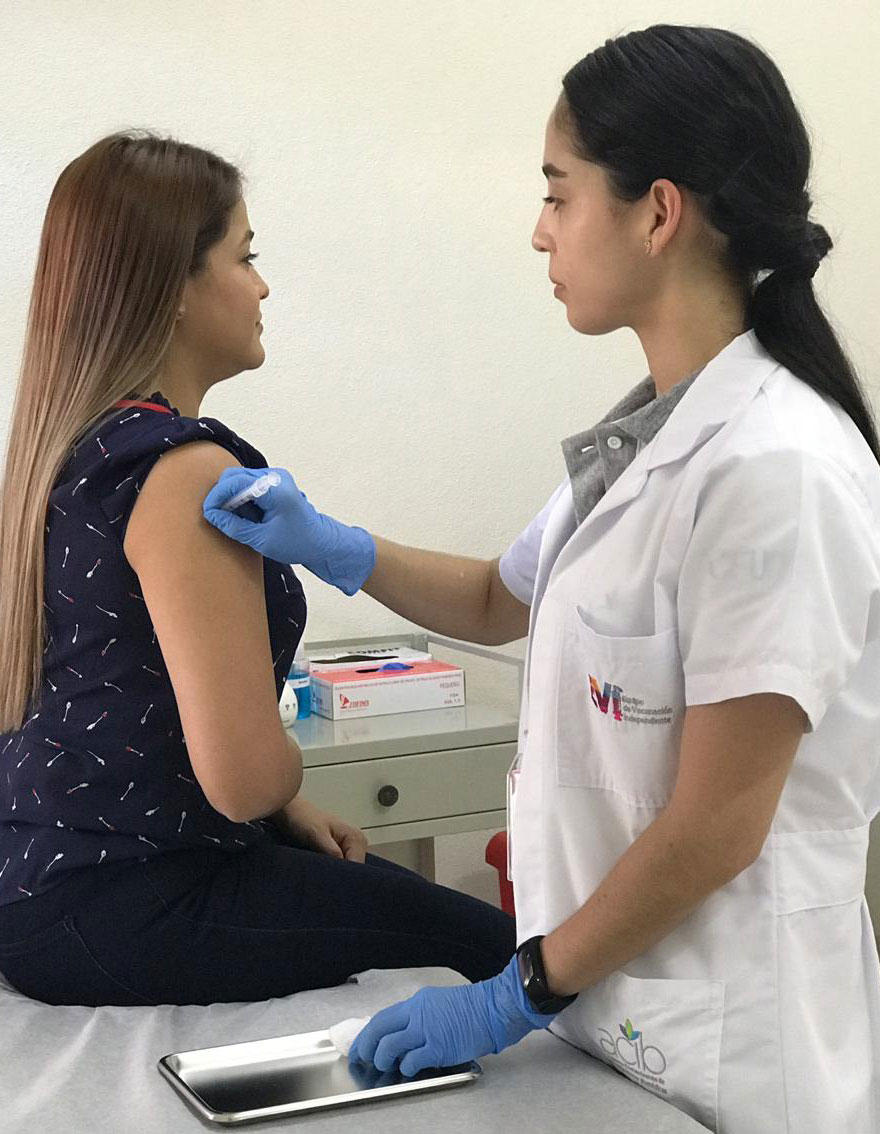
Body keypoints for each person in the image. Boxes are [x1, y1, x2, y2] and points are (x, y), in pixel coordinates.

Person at [202, 24, 880, 1134]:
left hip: (737, 1046)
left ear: (657, 213)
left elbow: (718, 824)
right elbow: (495, 600)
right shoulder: (645, 442)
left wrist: (515, 992)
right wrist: (329, 543)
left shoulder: (776, 470)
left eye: (558, 196)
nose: (538, 232)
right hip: (613, 1011)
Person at [0, 131, 516, 1008]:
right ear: (172, 288)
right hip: (132, 901)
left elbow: (105, 706)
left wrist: (285, 820)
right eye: (246, 257)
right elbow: (244, 779)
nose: (263, 284)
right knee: (518, 955)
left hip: (46, 892)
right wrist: (276, 788)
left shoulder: (62, 451)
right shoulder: (183, 471)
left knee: (387, 891)